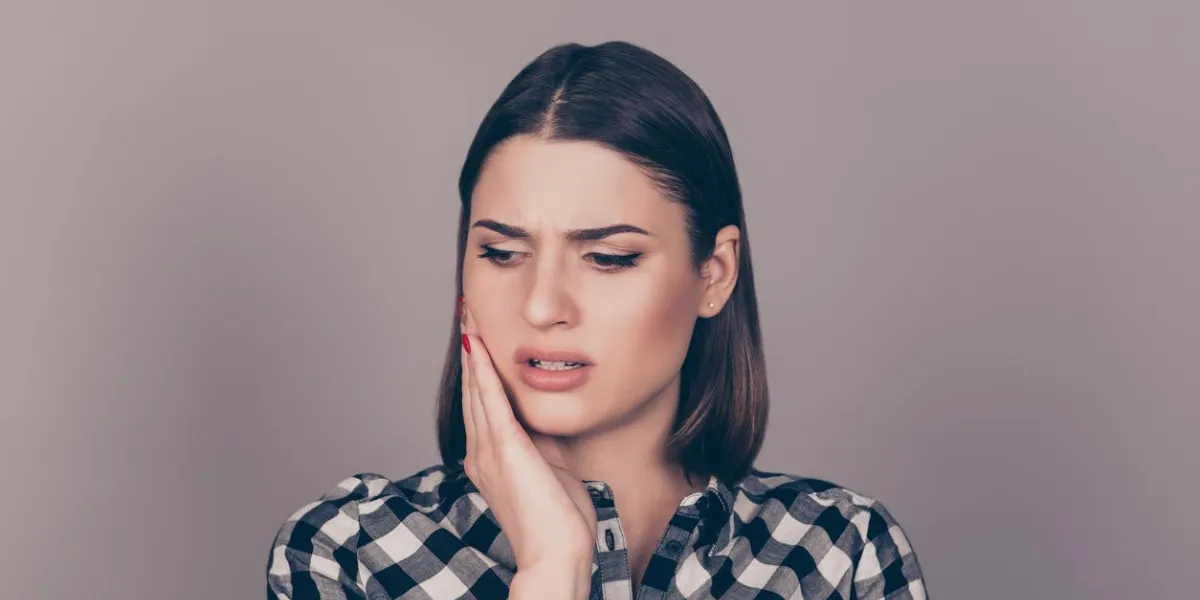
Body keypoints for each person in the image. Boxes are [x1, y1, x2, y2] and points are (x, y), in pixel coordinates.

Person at [266, 40, 927, 600]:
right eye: (501, 253)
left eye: (608, 258)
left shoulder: (836, 557)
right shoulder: (349, 554)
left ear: (715, 274)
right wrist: (552, 569)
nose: (543, 305)